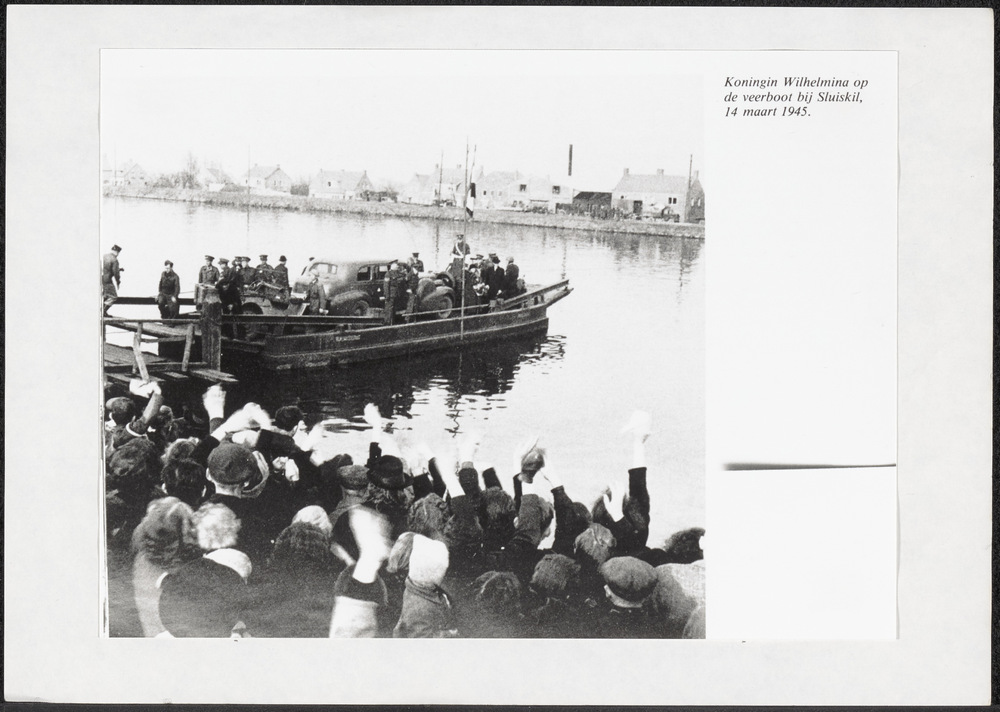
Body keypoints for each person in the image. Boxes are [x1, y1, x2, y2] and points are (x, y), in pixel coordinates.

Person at [102, 244, 123, 315]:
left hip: (100, 279)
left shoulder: (104, 256)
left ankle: (100, 311)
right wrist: (118, 282)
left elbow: (106, 268)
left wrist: (119, 269)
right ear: (117, 252)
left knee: (105, 295)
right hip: (107, 280)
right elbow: (116, 273)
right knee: (113, 296)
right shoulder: (114, 260)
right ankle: (103, 312)